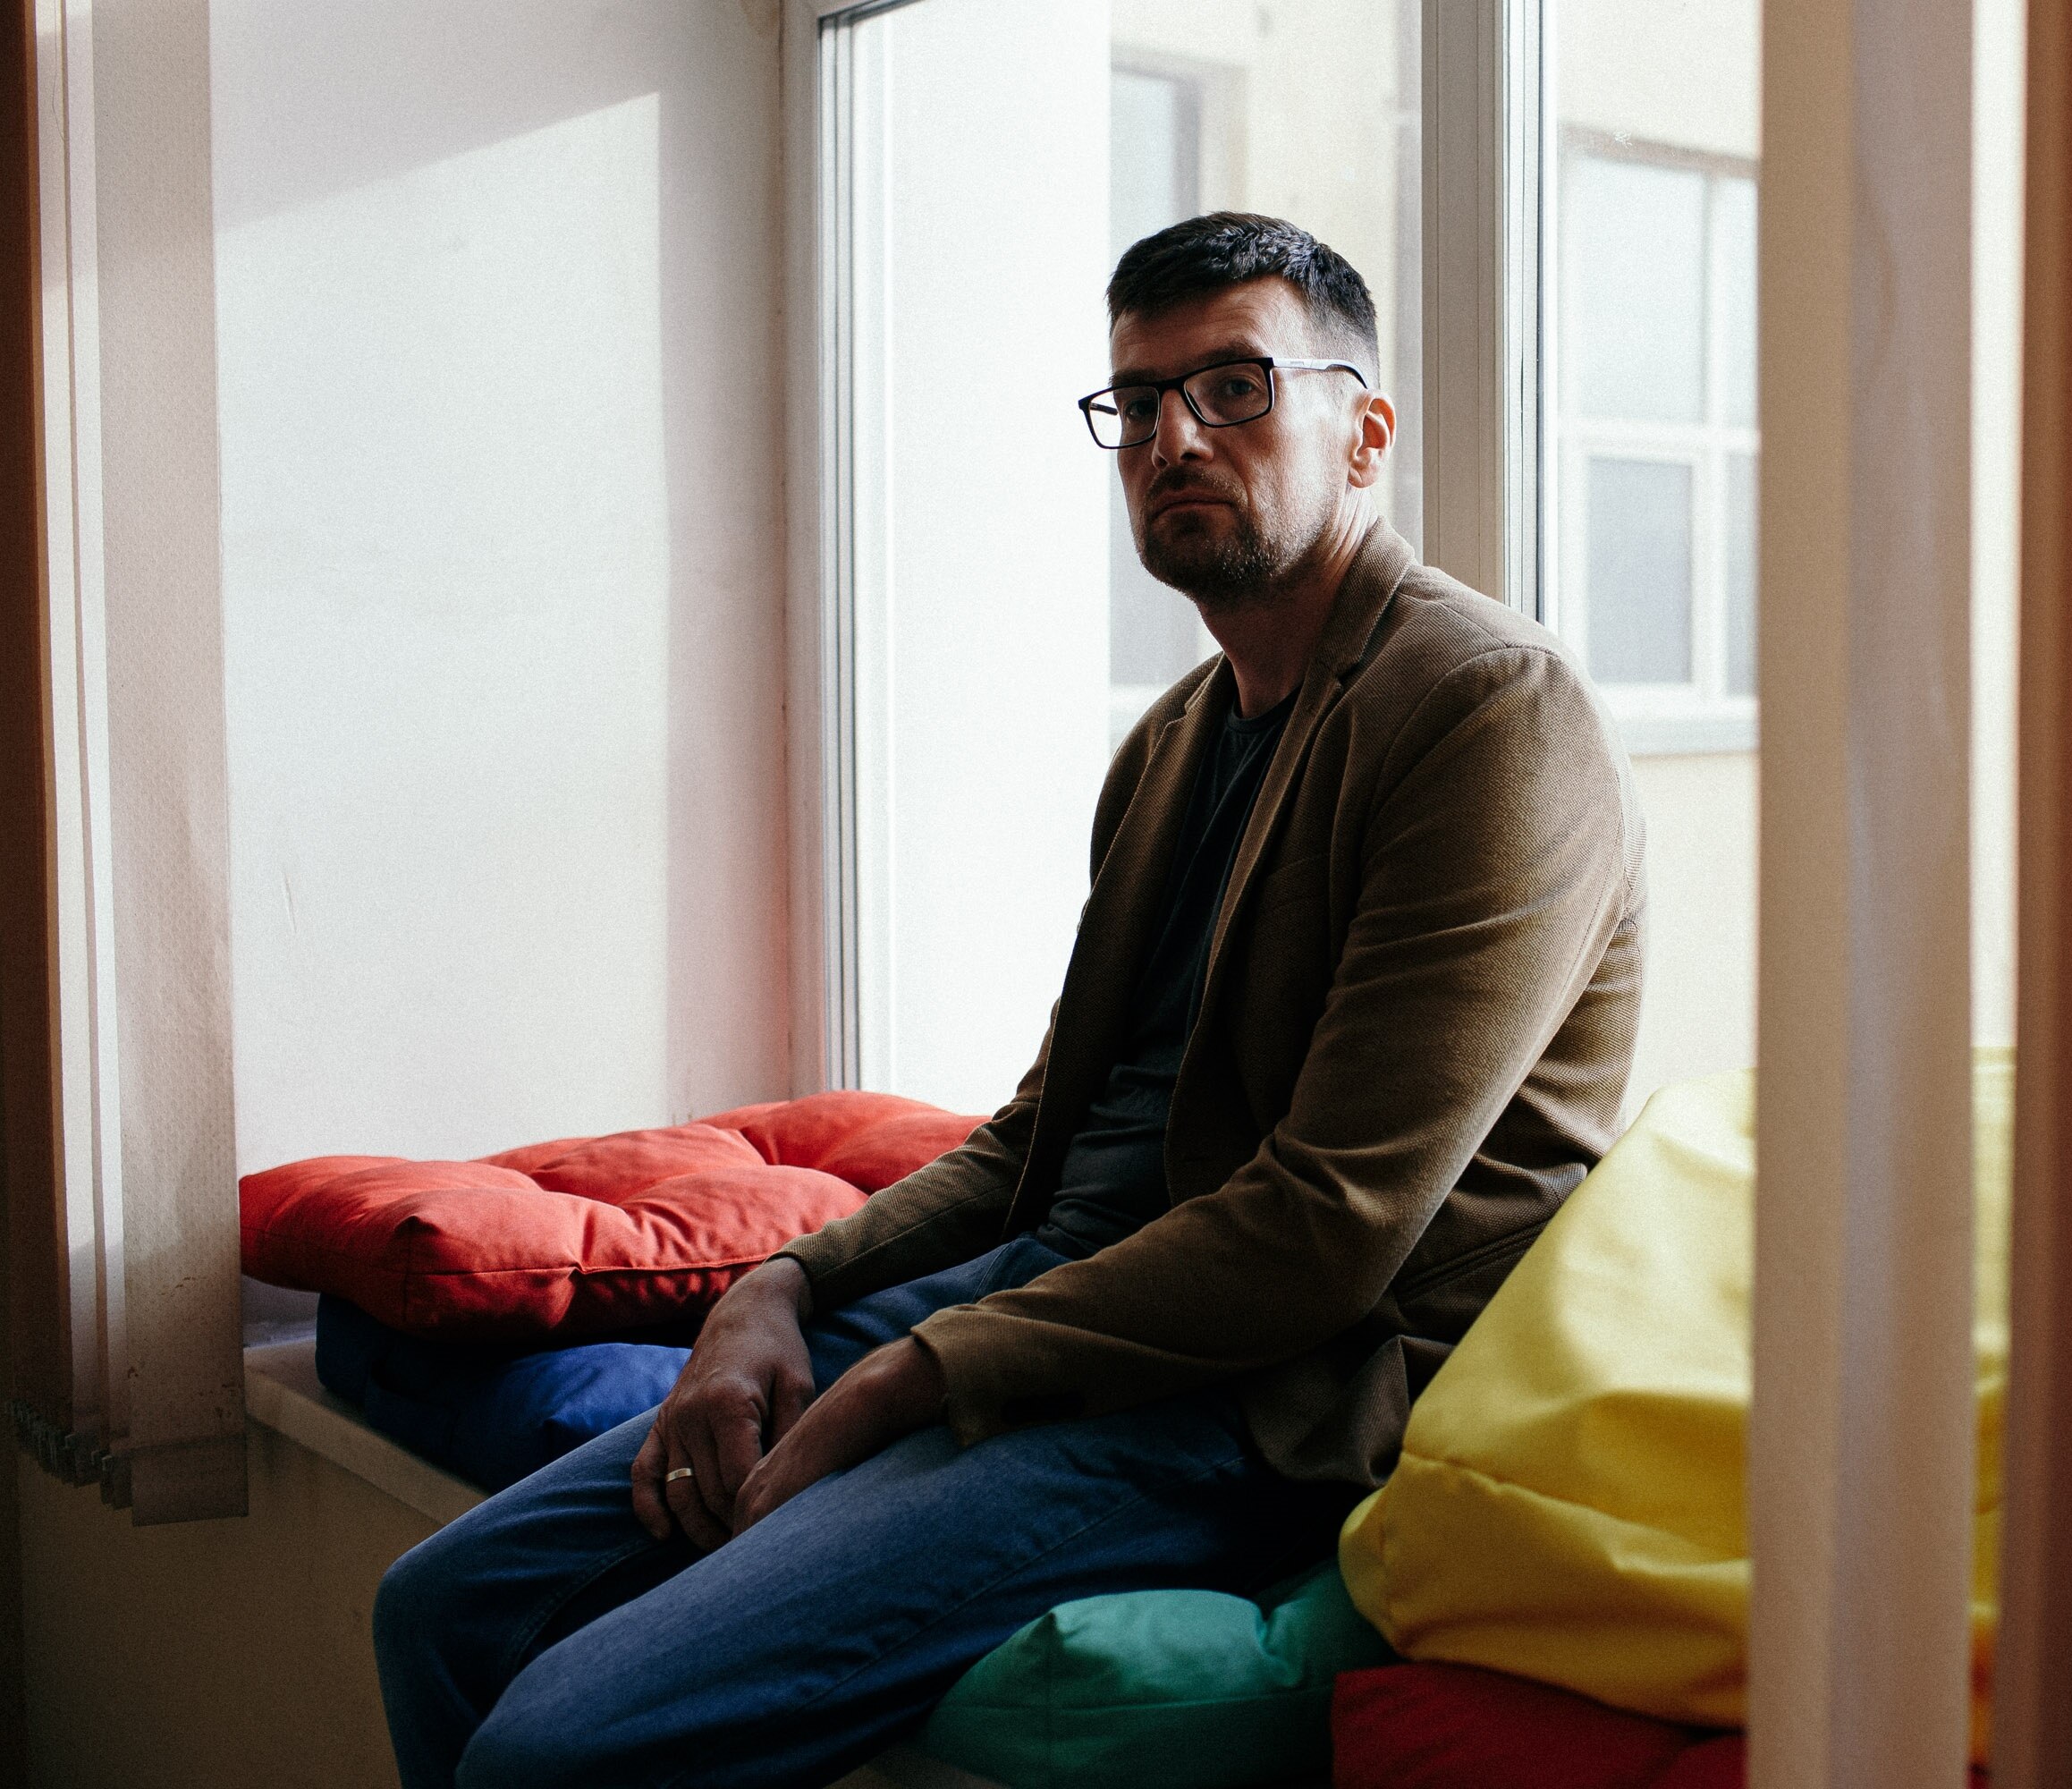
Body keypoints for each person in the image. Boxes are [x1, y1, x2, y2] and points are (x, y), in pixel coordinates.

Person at [373, 212, 1645, 1789]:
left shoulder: (1491, 710)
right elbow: (1040, 1132)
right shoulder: (1173, 742)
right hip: (1047, 1294)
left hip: (1253, 1389)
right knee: (441, 1607)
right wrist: (779, 1288)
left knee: (555, 1747)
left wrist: (925, 1370)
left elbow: (1330, 1226)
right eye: (1141, 402)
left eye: (1236, 386)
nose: (1175, 438)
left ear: (1365, 432)